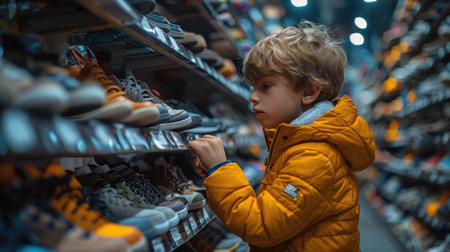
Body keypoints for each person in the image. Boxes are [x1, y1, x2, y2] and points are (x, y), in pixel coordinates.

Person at [189, 20, 375, 252]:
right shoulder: (300, 143)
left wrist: (220, 170)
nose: (252, 97)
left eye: (265, 86)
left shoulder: (314, 156)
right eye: (252, 86)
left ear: (308, 91)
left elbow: (262, 226)